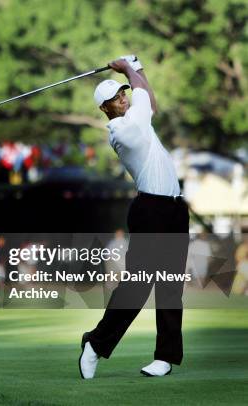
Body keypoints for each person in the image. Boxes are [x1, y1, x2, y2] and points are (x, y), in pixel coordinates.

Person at [79, 56, 189, 379]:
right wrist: (129, 67)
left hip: (174, 208)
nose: (122, 98)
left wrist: (136, 68)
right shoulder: (123, 130)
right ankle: (95, 345)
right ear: (105, 109)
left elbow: (149, 101)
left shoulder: (138, 116)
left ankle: (165, 357)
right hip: (150, 211)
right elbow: (145, 102)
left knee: (170, 287)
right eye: (115, 98)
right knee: (138, 286)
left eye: (123, 93)